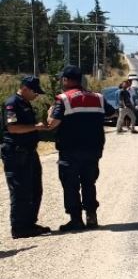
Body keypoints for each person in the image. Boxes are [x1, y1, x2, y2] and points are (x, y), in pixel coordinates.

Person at [46, 65, 115, 231]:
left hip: (70, 150)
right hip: (93, 149)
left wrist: (49, 113)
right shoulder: (98, 97)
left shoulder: (63, 99)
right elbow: (112, 113)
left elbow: (52, 124)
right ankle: (91, 216)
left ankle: (76, 219)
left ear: (66, 80)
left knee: (70, 185)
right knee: (89, 183)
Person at [1, 76, 50, 238]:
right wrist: (36, 127)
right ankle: (19, 228)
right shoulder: (12, 103)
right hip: (15, 152)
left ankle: (29, 224)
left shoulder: (24, 102)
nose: (37, 95)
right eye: (35, 92)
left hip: (29, 151)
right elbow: (12, 128)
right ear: (25, 88)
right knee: (20, 190)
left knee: (35, 188)